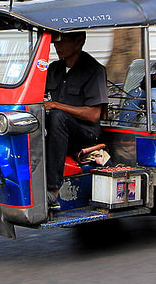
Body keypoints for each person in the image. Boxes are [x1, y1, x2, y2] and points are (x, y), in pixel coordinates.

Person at [43, 31, 108, 209]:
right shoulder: (54, 69)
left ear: (79, 41)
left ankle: (53, 191)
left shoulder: (94, 70)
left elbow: (94, 114)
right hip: (59, 131)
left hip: (85, 134)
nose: (57, 47)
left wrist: (56, 105)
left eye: (61, 42)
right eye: (55, 42)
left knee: (57, 117)